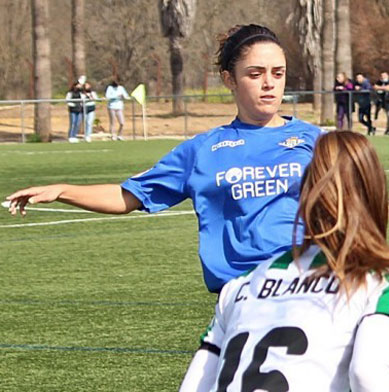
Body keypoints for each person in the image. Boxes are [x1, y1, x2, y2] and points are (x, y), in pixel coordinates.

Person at [6, 24, 323, 295]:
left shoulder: (316, 140)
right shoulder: (202, 151)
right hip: (239, 299)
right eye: (255, 74)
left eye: (277, 73)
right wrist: (62, 190)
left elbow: (359, 205)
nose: (269, 83)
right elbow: (129, 196)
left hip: (309, 290)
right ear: (229, 80)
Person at [178, 131, 389, 392]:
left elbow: (194, 386)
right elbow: (367, 374)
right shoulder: (384, 284)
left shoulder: (240, 285)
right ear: (379, 200)